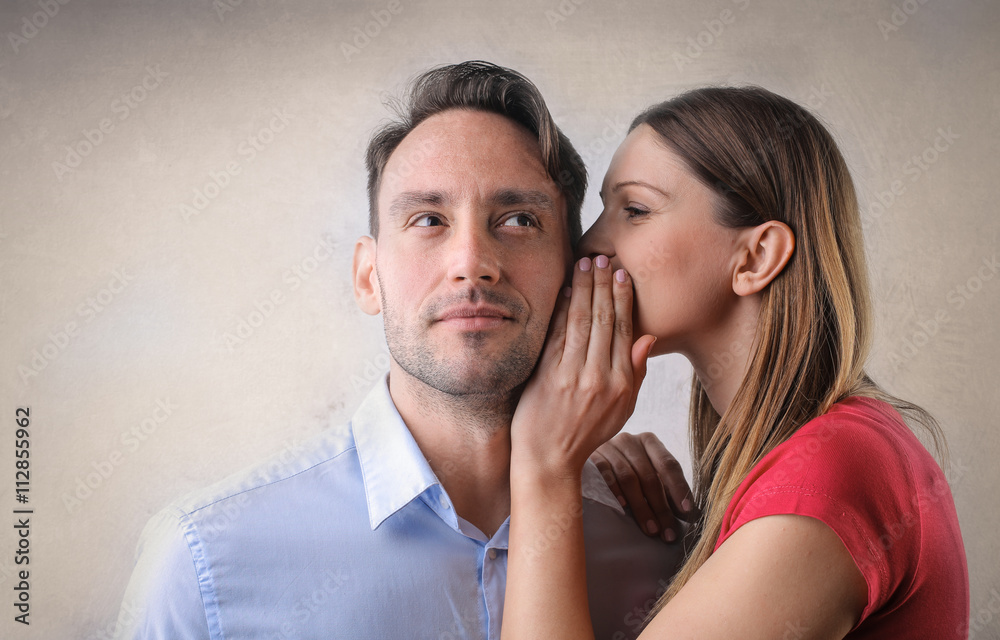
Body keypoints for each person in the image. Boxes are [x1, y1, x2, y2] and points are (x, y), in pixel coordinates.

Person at [113, 61, 684, 640]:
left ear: (575, 271)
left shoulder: (660, 543)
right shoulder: (204, 564)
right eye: (428, 219)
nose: (471, 263)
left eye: (518, 220)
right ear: (369, 277)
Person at [502, 86, 969, 639]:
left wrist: (544, 467)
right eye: (605, 210)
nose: (590, 244)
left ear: (756, 257)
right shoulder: (821, 452)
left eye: (636, 211)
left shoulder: (830, 471)